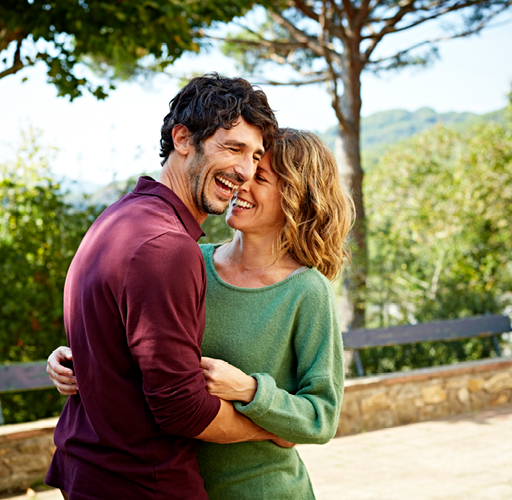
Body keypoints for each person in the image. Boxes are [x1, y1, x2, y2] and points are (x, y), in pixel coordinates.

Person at [49, 128, 354, 499]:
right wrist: (80, 360)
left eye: (260, 177)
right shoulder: (191, 261)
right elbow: (146, 359)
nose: (241, 182)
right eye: (243, 170)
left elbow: (321, 416)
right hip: (171, 486)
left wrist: (249, 389)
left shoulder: (306, 291)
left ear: (295, 196)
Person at [44, 73, 286, 500]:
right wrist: (271, 428)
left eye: (255, 155)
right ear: (182, 139)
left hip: (92, 470)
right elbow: (181, 408)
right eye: (233, 148)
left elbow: (111, 344)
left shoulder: (118, 218)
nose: (245, 171)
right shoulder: (166, 248)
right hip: (144, 483)